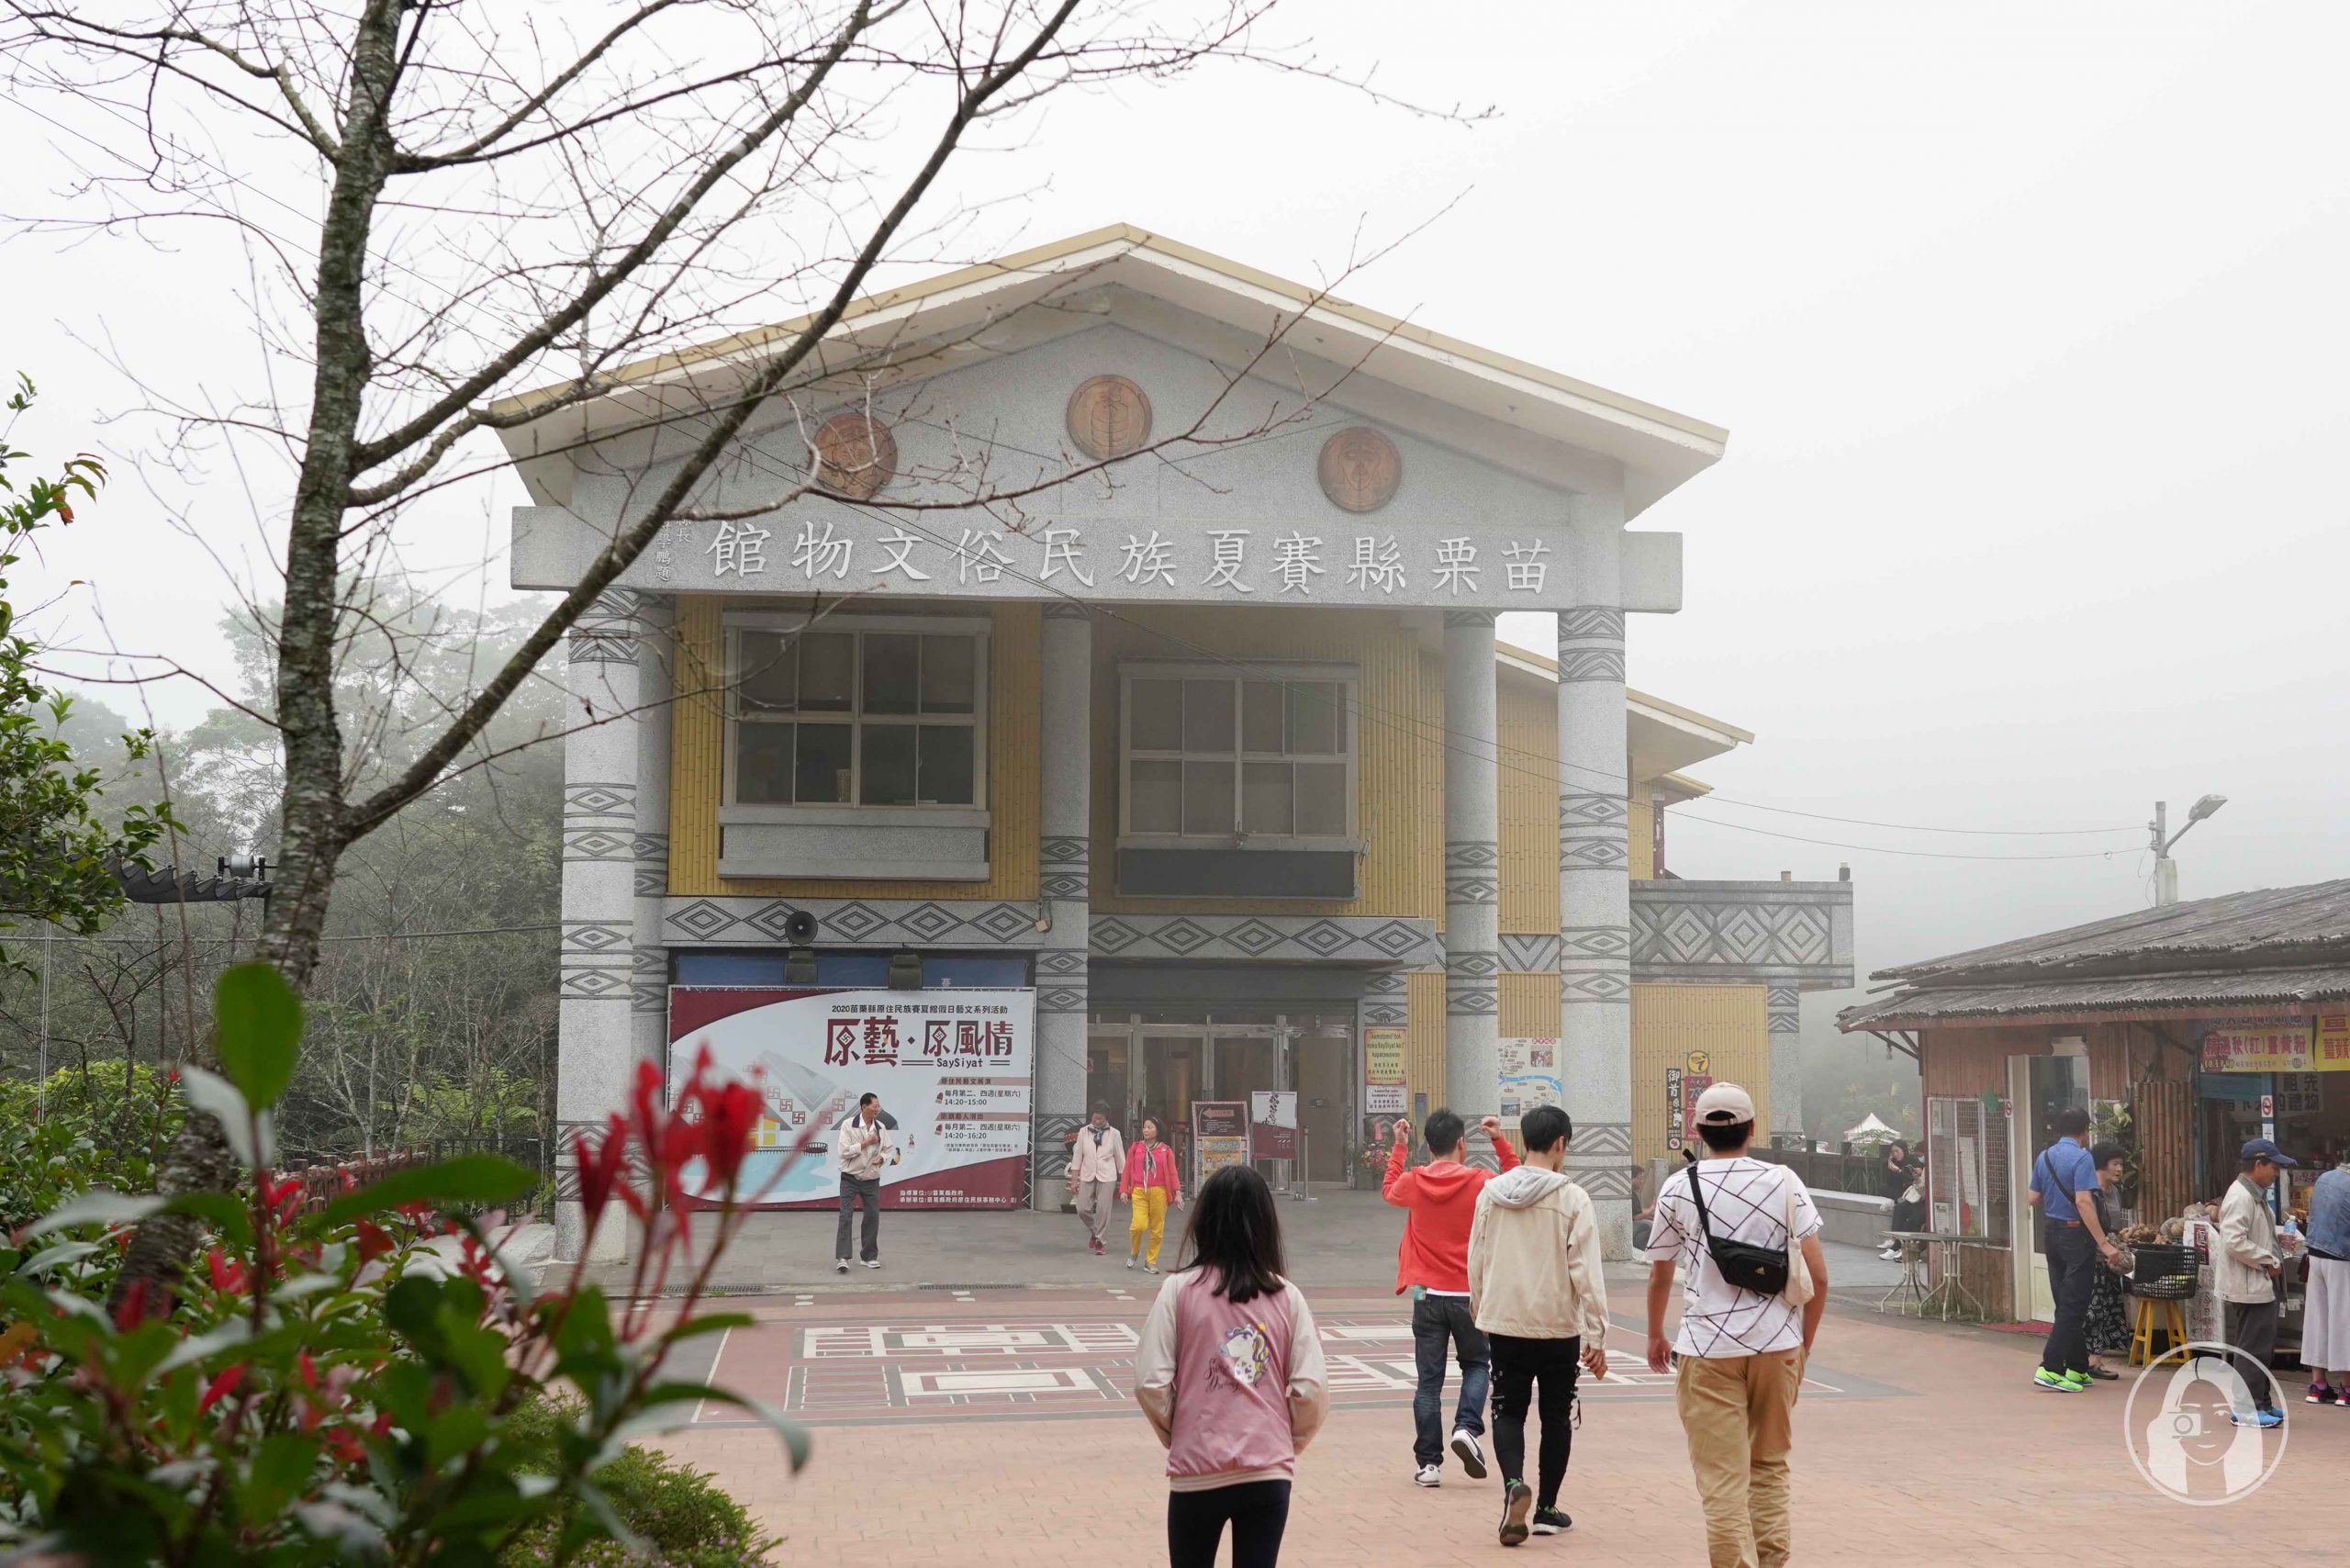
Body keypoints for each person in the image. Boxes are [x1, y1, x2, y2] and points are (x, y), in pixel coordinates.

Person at [1644, 1082, 1828, 1568]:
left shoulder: (1679, 1186)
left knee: (1724, 1480)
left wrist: (1655, 1333)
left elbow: (1662, 1271)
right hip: (1778, 1347)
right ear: (1751, 1129)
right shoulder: (1785, 1182)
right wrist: (1802, 1348)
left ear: (1698, 1132)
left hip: (1706, 1350)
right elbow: (1819, 1277)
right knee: (1769, 1468)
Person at [1135, 1164, 1329, 1568]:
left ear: (1202, 1221)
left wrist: (1179, 1429)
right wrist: (1286, 1441)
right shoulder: (1287, 1297)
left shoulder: (1178, 1291)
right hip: (1267, 1473)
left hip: (1197, 1470)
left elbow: (1151, 1383)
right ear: (1265, 1223)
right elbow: (1310, 1389)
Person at [1465, 1103, 1608, 1545]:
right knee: (1556, 1417)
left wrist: (1480, 1311)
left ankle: (1513, 1486)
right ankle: (1546, 1507)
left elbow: (1476, 1259)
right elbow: (1586, 1271)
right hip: (1557, 1327)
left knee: (1507, 1409)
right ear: (1561, 1143)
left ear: (1525, 1139)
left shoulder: (1490, 1193)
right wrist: (1597, 1333)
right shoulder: (1572, 1198)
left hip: (1506, 1322)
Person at [1383, 1108, 1518, 1488]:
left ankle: (1429, 1465)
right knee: (1477, 1365)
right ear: (1462, 1143)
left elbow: (1389, 1190)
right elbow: (1518, 1180)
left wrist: (1397, 1147)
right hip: (1470, 1295)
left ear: (1427, 1146)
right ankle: (1466, 1426)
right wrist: (1498, 1140)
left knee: (1428, 1381)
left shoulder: (1413, 1180)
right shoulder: (1480, 1181)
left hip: (1426, 1295)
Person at [2025, 1105, 2123, 1392]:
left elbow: (2032, 1198)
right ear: (2085, 1132)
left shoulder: (2044, 1156)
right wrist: (2104, 1244)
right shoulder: (2082, 1158)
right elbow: (2083, 1202)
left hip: (2050, 1234)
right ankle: (2051, 1367)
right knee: (2074, 1303)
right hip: (2074, 1235)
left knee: (2066, 1302)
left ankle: (2078, 1366)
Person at [2217, 1137, 2294, 1427]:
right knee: (2252, 1347)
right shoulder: (2241, 1196)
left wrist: (2275, 1239)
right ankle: (2245, 1408)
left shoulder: (2253, 1194)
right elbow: (2234, 1241)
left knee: (2261, 1346)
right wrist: (2268, 1259)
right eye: (2273, 1167)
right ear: (2258, 1164)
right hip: (2250, 1284)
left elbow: (2250, 1233)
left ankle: (2260, 1402)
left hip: (2257, 1283)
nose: (2276, 1174)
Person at [2302, 1154, 2350, 1406]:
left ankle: (2317, 1385)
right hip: (2342, 1258)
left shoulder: (2324, 1179)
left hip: (2316, 1257)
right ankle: (2347, 1388)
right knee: (2344, 1321)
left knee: (2317, 1319)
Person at [2083, 1142, 2131, 1381]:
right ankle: (2086, 1360)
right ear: (2101, 1164)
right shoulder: (2090, 1192)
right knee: (2093, 1310)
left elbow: (2115, 1226)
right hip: (2092, 1258)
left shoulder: (2115, 1192)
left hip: (2110, 1259)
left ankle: (2095, 1361)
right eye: (2115, 1164)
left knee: (2107, 1308)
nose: (2120, 1169)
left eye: (2121, 1164)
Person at [834, 1092, 890, 1274]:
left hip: (871, 1178)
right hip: (849, 1178)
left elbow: (888, 1149)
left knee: (872, 1216)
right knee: (845, 1215)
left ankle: (869, 1256)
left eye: (878, 1106)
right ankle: (843, 1258)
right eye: (874, 1105)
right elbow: (844, 1152)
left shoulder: (880, 1127)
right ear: (863, 1107)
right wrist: (865, 1143)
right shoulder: (848, 1125)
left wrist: (881, 1158)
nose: (877, 1109)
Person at [1124, 1115, 1185, 1273]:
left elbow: (1172, 1173)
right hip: (1139, 1190)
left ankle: (1150, 1261)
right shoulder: (1135, 1148)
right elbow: (1127, 1169)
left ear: (1158, 1130)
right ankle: (1134, 1251)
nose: (1146, 1130)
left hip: (1159, 1191)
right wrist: (1124, 1189)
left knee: (1157, 1228)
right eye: (1144, 1127)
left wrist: (1177, 1193)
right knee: (1139, 1225)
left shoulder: (1165, 1150)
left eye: (1150, 1127)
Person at [1069, 1103, 1126, 1257]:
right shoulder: (1083, 1132)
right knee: (1082, 1208)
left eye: (1101, 1119)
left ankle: (1101, 1241)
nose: (1097, 1121)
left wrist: (1125, 1183)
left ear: (1106, 1118)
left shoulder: (1114, 1133)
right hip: (1087, 1174)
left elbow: (1121, 1158)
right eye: (1095, 1118)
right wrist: (1075, 1180)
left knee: (1103, 1210)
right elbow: (1077, 1156)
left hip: (1107, 1176)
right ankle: (1095, 1231)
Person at [1877, 1141, 1924, 1260]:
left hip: (1919, 1198)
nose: (1896, 1154)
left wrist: (1900, 1172)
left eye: (1898, 1151)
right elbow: (1889, 1182)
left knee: (1913, 1219)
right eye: (1893, 1152)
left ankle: (1898, 1247)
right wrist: (1891, 1166)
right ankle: (1895, 1243)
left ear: (1904, 1150)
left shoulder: (1913, 1160)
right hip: (1909, 1194)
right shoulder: (1895, 1162)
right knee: (1899, 1208)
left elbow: (1912, 1180)